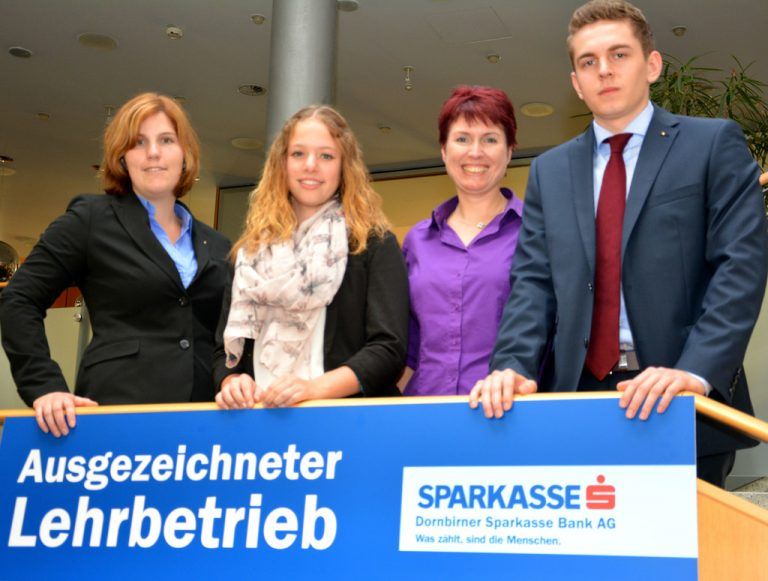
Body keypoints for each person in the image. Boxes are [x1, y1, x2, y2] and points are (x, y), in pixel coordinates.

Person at [470, 0, 768, 487]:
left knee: (682, 563)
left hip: (678, 396)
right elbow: (534, 282)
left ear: (652, 65)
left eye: (619, 55)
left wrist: (694, 372)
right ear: (575, 83)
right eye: (588, 62)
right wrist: (512, 366)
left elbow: (740, 266)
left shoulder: (711, 144)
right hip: (577, 400)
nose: (603, 70)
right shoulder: (550, 170)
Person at [0, 93, 231, 437]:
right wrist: (44, 386)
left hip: (203, 424)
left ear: (185, 155)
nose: (154, 152)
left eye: (166, 140)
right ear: (122, 157)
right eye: (139, 142)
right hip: (116, 416)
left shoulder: (220, 245)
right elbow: (18, 300)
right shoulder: (91, 219)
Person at [213, 105, 408, 409]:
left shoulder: (372, 244)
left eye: (326, 156)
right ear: (282, 163)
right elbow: (223, 353)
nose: (311, 166)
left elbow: (389, 350)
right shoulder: (248, 252)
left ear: (345, 167)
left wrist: (314, 390)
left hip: (344, 424)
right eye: (298, 154)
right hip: (258, 423)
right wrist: (231, 381)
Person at [401, 86, 523, 395]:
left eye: (490, 139)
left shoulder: (536, 235)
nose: (475, 152)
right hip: (424, 413)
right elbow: (407, 346)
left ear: (509, 151)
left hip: (507, 413)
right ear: (444, 150)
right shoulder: (417, 241)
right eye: (462, 139)